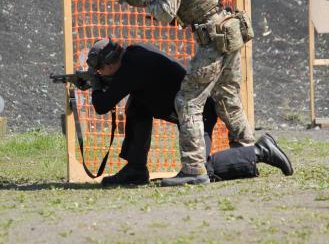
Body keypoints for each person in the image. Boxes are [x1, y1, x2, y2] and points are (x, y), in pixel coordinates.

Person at [104, 0, 255, 186]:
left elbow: (164, 11)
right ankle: (249, 154)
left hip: (213, 39)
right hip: (227, 31)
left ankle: (194, 169)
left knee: (187, 102)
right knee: (227, 97)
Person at [83, 38, 293, 187]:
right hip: (193, 107)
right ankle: (136, 168)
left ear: (110, 63)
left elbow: (102, 106)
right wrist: (102, 81)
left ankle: (259, 151)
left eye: (100, 69)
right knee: (137, 103)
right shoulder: (135, 54)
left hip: (199, 114)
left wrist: (95, 85)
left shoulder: (130, 70)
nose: (99, 73)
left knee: (199, 170)